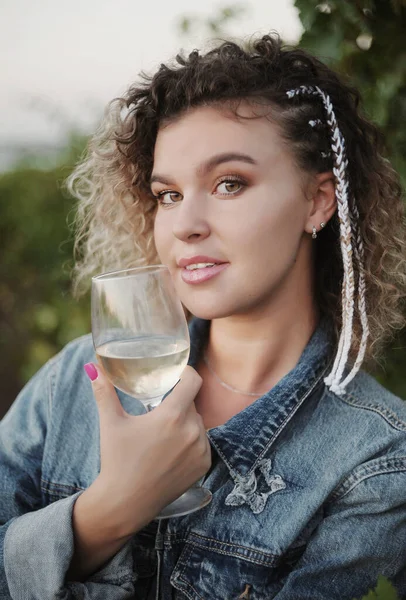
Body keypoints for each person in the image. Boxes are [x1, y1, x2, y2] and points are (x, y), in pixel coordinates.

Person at [1, 33, 406, 600]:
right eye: (167, 194)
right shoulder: (73, 382)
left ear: (317, 201)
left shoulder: (377, 464)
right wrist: (107, 514)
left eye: (229, 183)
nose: (185, 223)